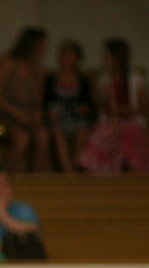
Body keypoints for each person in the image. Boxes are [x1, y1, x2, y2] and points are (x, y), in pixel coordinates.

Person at [79, 38, 149, 174]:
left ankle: (129, 168)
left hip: (131, 123)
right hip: (109, 122)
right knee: (103, 135)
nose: (104, 59)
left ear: (117, 58)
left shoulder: (135, 78)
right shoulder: (104, 79)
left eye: (107, 56)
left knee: (122, 138)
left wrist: (123, 110)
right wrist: (105, 99)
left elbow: (144, 107)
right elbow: (99, 105)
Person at [0, 27, 50, 172]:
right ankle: (7, 177)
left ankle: (37, 179)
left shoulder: (40, 68)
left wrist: (36, 113)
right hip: (1, 119)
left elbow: (38, 99)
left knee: (43, 137)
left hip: (27, 115)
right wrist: (18, 113)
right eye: (41, 45)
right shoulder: (9, 62)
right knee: (22, 139)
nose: (44, 49)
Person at [44, 40, 95, 173]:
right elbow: (46, 103)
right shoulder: (50, 79)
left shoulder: (83, 80)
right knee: (57, 130)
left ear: (77, 58)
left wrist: (83, 109)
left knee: (83, 129)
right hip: (57, 119)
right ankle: (69, 172)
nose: (65, 58)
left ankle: (74, 166)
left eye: (69, 54)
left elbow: (88, 105)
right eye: (63, 54)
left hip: (77, 118)